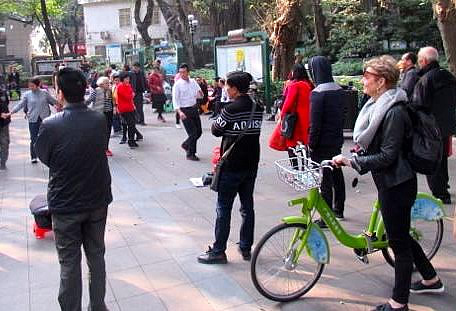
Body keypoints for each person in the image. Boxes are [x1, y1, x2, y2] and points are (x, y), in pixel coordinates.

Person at [333, 56, 443, 311]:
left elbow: (388, 155)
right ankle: (431, 278)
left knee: (398, 244)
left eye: (367, 77)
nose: (363, 80)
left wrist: (352, 162)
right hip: (392, 182)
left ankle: (398, 303)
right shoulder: (379, 105)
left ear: (381, 81)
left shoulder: (394, 111)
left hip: (397, 184)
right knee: (400, 235)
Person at [35, 67, 112, 311]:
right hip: (97, 199)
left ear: (60, 93)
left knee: (69, 263)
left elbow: (45, 156)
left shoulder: (50, 125)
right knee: (96, 256)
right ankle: (98, 306)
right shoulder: (98, 119)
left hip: (66, 204)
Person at [198, 71, 263, 264]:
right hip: (251, 165)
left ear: (235, 88)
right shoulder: (257, 107)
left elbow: (216, 130)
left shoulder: (231, 109)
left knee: (223, 208)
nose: (225, 89)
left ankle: (218, 251)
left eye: (228, 86)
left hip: (232, 165)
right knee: (247, 207)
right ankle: (245, 247)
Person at [412, 46, 456, 205]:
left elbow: (418, 105)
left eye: (418, 60)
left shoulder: (425, 80)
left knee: (432, 160)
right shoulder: (448, 76)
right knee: (442, 158)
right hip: (446, 126)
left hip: (430, 128)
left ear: (423, 61)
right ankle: (443, 187)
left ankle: (440, 194)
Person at [306, 57, 346, 226]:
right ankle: (339, 209)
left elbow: (315, 124)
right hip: (336, 139)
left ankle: (326, 216)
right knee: (337, 172)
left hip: (321, 142)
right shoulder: (339, 90)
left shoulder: (318, 94)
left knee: (324, 178)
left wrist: (311, 143)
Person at [6, 77, 57, 163]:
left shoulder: (44, 93)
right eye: (29, 86)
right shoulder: (27, 94)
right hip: (33, 119)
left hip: (45, 119)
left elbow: (53, 101)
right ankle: (33, 156)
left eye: (32, 86)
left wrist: (61, 105)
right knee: (34, 138)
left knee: (47, 137)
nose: (30, 88)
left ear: (38, 85)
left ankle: (47, 155)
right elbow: (20, 105)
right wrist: (11, 112)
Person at [172, 64, 203, 161]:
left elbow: (199, 93)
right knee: (193, 133)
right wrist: (179, 112)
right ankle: (191, 154)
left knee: (199, 132)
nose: (182, 74)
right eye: (180, 72)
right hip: (184, 110)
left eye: (184, 72)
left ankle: (186, 144)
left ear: (188, 72)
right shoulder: (177, 85)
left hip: (194, 108)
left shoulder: (193, 82)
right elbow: (175, 100)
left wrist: (200, 94)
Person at [86, 77, 115, 156]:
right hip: (99, 113)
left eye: (108, 83)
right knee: (100, 131)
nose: (108, 84)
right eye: (106, 83)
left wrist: (114, 108)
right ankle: (99, 148)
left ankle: (106, 148)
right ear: (101, 84)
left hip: (109, 113)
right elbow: (89, 100)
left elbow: (112, 101)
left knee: (108, 131)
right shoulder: (96, 91)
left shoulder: (109, 90)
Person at [116, 72, 142, 148]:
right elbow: (128, 97)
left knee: (132, 125)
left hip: (130, 107)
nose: (128, 80)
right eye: (126, 78)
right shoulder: (120, 86)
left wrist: (131, 95)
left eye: (128, 78)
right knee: (130, 125)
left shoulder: (128, 85)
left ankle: (132, 140)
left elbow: (130, 95)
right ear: (122, 79)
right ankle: (131, 141)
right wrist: (132, 95)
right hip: (124, 109)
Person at [0, 79, 10, 170]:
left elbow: (7, 103)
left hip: (4, 123)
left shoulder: (3, 92)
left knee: (5, 142)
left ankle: (3, 162)